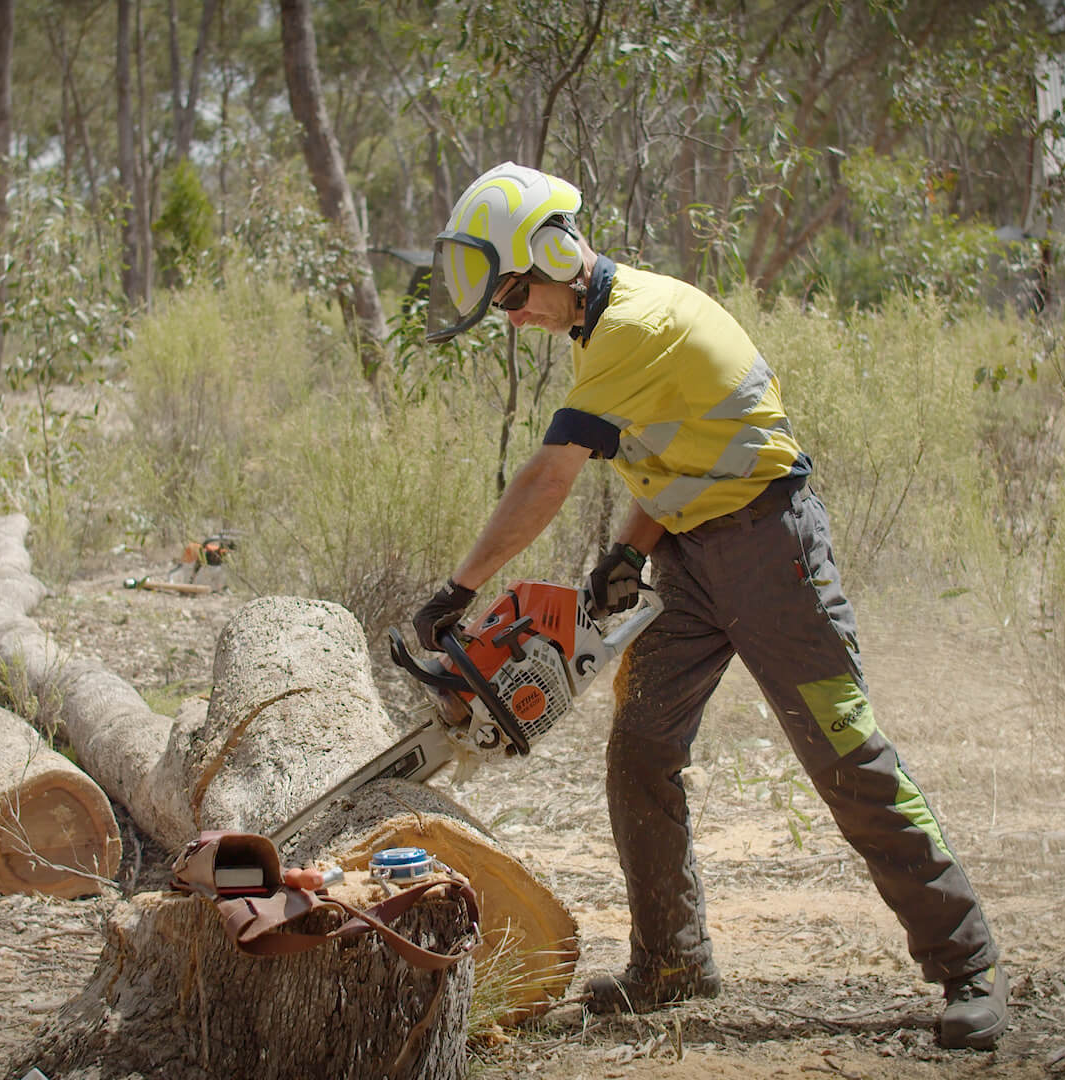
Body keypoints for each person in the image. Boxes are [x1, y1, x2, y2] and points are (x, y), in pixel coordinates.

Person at [412, 162, 1008, 1050]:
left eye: (512, 293)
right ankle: (672, 961)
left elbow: (547, 478)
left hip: (773, 554)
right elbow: (681, 442)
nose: (511, 315)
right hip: (692, 557)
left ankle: (968, 964)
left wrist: (458, 589)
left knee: (844, 753)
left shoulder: (637, 321)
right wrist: (629, 550)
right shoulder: (602, 326)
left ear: (555, 254)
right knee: (642, 746)